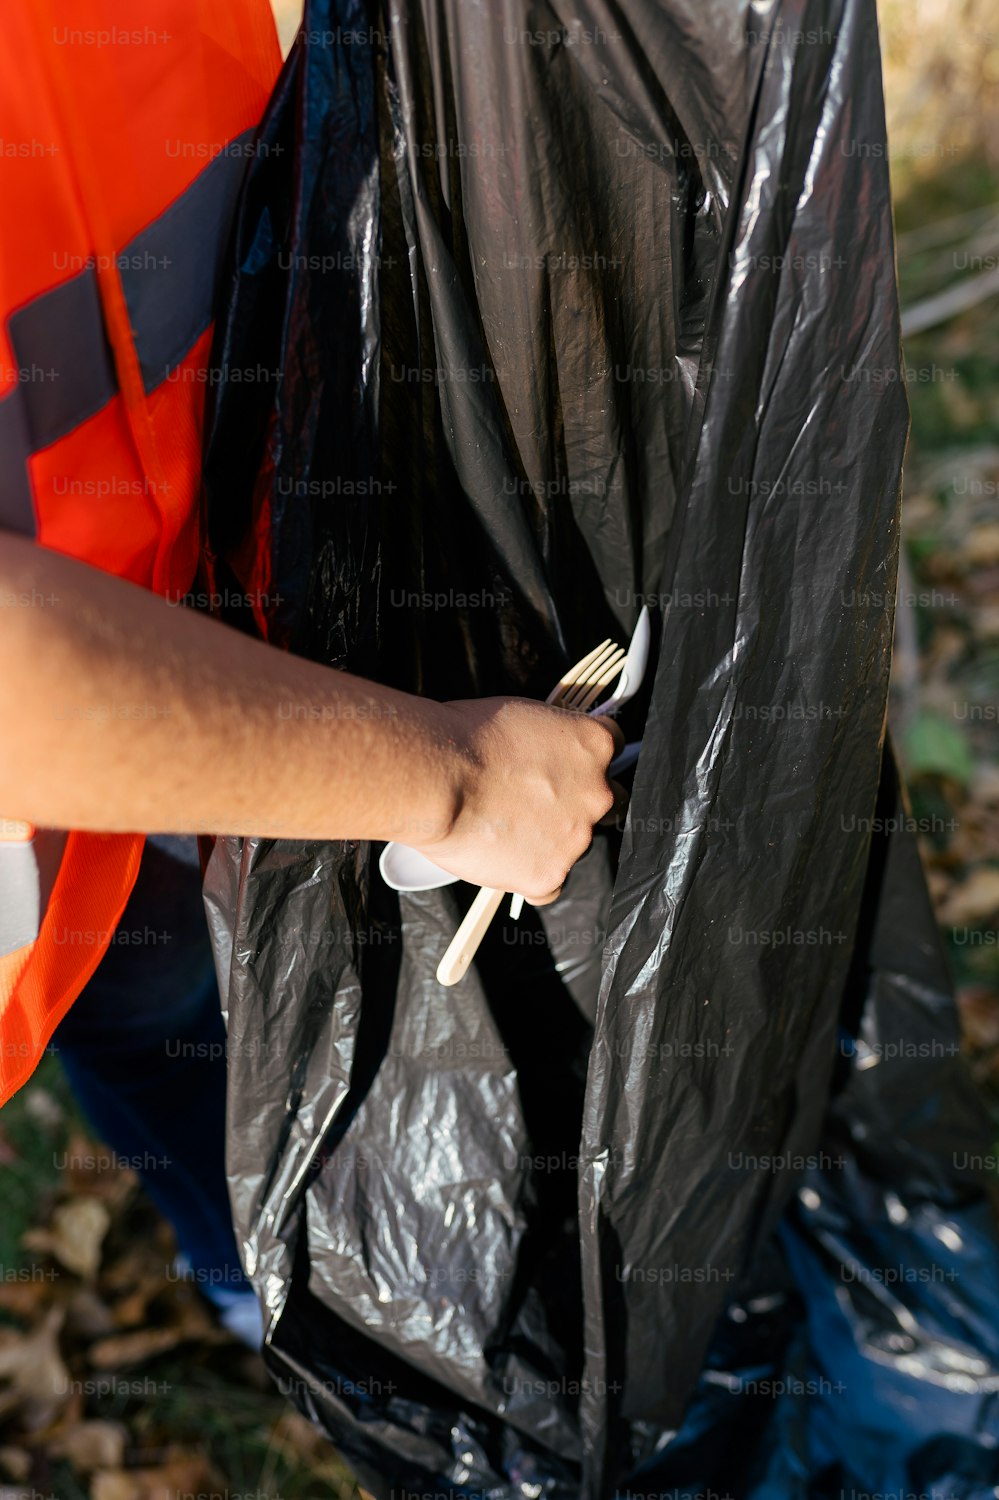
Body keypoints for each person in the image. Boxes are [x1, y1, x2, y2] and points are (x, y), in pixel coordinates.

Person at [0, 0, 620, 1338]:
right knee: (140, 1003)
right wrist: (451, 783)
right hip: (50, 797)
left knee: (166, 965)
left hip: (185, 640)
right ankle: (268, 1284)